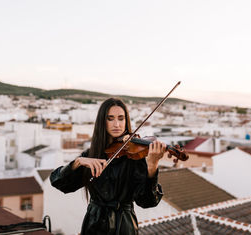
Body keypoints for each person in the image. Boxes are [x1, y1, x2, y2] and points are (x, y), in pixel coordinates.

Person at [50, 98, 166, 235]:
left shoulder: (134, 156)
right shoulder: (90, 155)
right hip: (94, 225)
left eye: (121, 119)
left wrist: (152, 166)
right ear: (102, 122)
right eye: (110, 119)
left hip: (123, 226)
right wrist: (78, 162)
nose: (116, 124)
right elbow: (59, 182)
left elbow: (147, 202)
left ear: (126, 121)